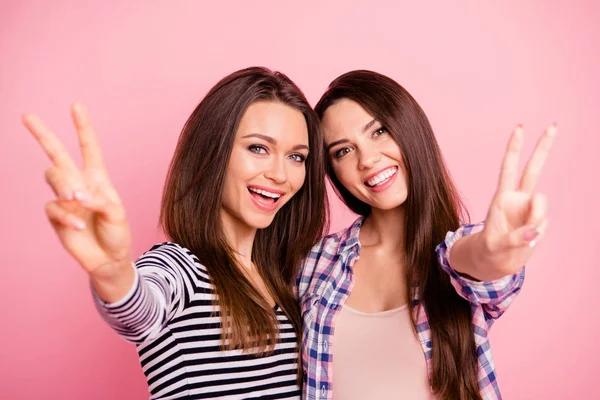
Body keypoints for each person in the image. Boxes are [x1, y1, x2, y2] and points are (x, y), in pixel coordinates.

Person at [23, 67, 328, 400]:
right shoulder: (181, 267)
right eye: (258, 148)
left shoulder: (286, 278)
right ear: (213, 152)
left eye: (296, 156)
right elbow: (141, 312)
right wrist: (113, 273)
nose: (280, 174)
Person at [298, 70, 556, 400]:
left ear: (409, 128)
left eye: (379, 131)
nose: (368, 159)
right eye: (343, 151)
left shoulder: (455, 254)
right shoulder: (315, 262)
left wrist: (492, 255)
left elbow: (475, 261)